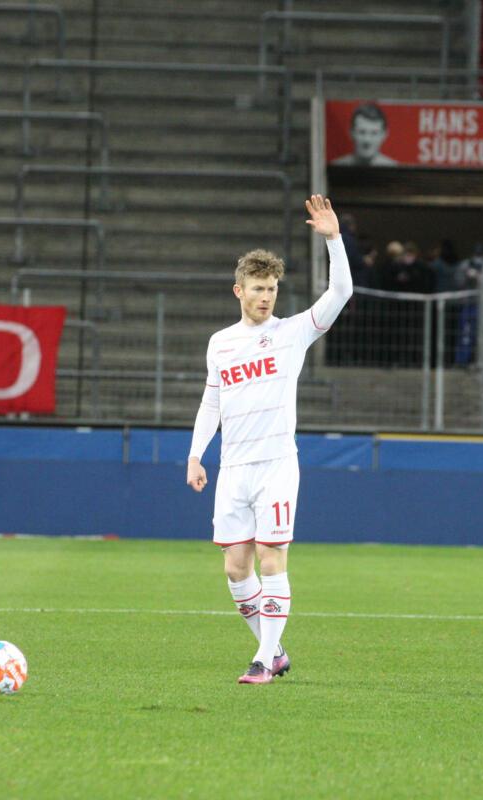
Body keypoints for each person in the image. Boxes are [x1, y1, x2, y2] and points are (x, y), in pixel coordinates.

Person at [185, 195, 351, 685]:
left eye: (273, 289)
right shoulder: (221, 343)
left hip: (276, 464)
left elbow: (340, 292)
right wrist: (195, 455)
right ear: (238, 290)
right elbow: (211, 402)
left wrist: (334, 240)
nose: (266, 297)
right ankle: (274, 651)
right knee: (236, 567)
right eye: (258, 288)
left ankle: (262, 659)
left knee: (271, 556)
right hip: (234, 469)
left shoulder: (293, 332)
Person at [331, 104, 396, 166]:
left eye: (374, 133)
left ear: (384, 135)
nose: (367, 140)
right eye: (362, 132)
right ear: (351, 133)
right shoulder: (333, 167)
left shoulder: (395, 169)